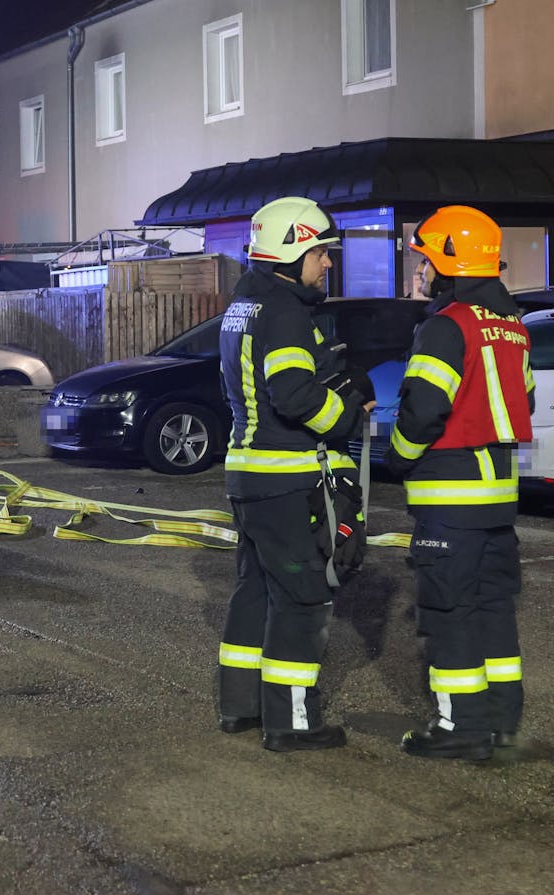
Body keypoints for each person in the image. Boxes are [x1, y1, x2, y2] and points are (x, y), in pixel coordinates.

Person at [215, 196, 374, 753]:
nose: (327, 263)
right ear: (291, 251)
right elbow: (293, 395)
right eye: (320, 252)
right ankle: (291, 723)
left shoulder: (245, 306)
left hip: (248, 474)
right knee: (301, 598)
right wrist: (348, 418)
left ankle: (240, 707)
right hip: (284, 478)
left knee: (254, 591)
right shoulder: (284, 313)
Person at [388, 205, 532, 761]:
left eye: (424, 262)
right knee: (494, 609)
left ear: (451, 263)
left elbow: (423, 411)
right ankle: (501, 719)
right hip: (499, 501)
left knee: (448, 612)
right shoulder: (514, 328)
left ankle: (458, 726)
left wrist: (397, 456)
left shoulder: (445, 328)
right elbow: (527, 398)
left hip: (450, 500)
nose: (419, 274)